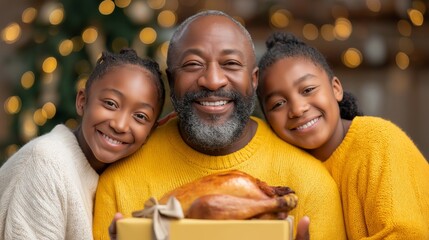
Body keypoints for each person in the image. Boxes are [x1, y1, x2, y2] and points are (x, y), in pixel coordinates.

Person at [93, 11, 347, 240]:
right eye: (193, 64)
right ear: (172, 79)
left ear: (254, 79)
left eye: (231, 64)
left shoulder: (310, 184)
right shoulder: (119, 183)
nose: (213, 81)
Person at [256, 32, 429, 239]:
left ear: (336, 88)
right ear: (268, 120)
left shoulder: (378, 141)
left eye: (308, 89)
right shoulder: (290, 168)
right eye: (278, 104)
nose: (297, 109)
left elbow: (405, 234)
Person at [0, 49, 165, 240]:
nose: (120, 125)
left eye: (140, 116)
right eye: (111, 104)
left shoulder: (120, 176)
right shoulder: (45, 162)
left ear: (150, 132)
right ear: (82, 101)